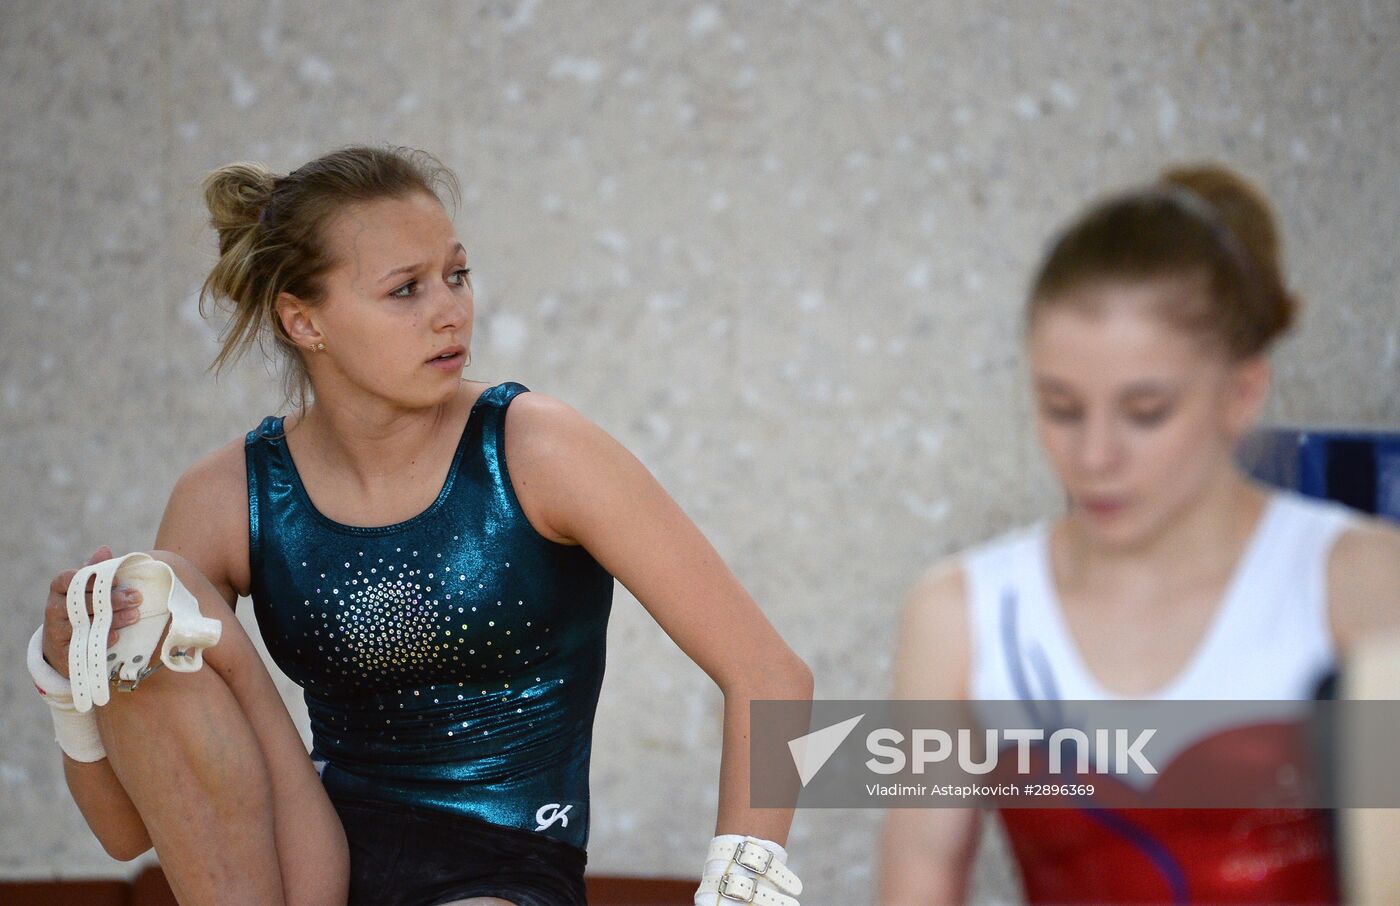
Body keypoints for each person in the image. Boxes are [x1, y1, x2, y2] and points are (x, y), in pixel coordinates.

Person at [31, 146, 812, 906]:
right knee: (152, 590)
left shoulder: (538, 449)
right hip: (306, 858)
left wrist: (741, 890)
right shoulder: (227, 493)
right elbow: (127, 831)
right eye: (406, 290)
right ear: (304, 322)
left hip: (503, 866)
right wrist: (71, 678)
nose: (452, 311)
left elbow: (772, 676)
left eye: (457, 275)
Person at [878, 164, 1400, 904]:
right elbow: (918, 882)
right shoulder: (961, 613)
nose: (1094, 457)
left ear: (1241, 392)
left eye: (1146, 411)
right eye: (1061, 407)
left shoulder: (1360, 582)